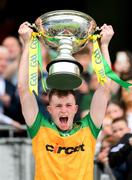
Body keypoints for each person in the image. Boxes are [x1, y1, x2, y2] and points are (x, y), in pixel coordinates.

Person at [18, 22, 114, 180]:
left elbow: (104, 89)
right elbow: (23, 90)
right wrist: (27, 43)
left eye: (68, 105)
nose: (64, 110)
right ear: (49, 109)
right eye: (58, 106)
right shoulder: (40, 129)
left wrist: (104, 45)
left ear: (76, 109)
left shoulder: (88, 129)